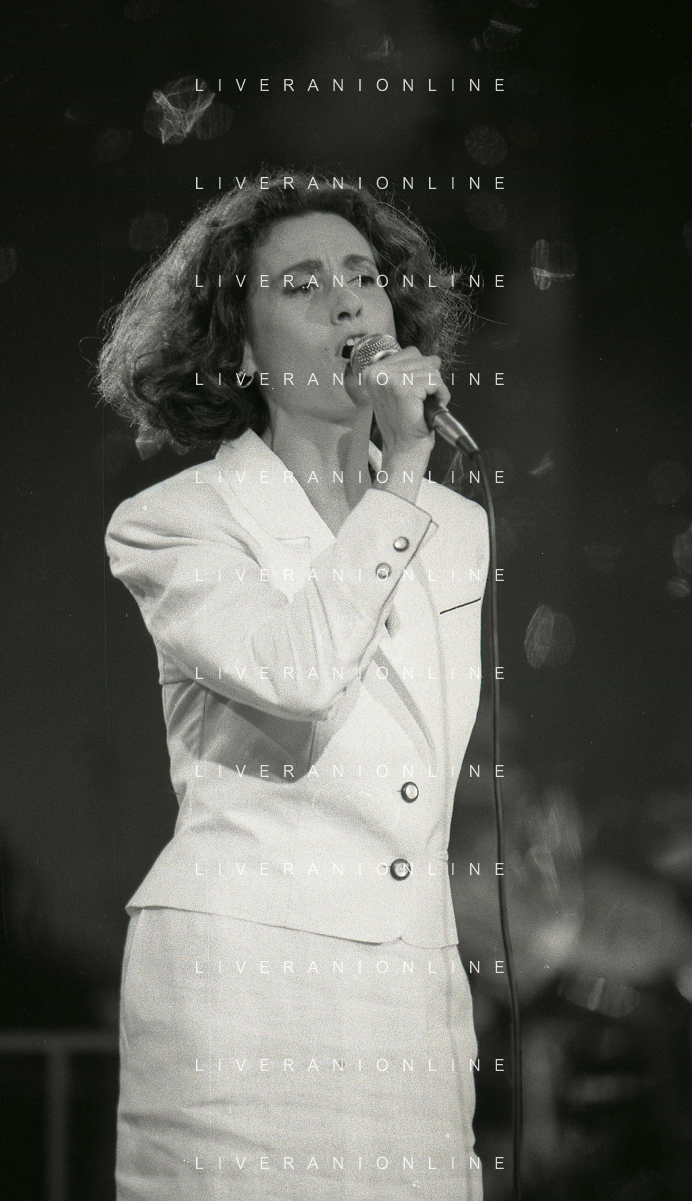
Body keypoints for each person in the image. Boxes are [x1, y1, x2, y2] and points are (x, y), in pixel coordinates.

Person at [100, 171, 489, 1200]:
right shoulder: (176, 521)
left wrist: (405, 486)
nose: (348, 303)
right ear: (238, 345)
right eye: (302, 286)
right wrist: (401, 475)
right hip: (244, 992)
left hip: (409, 993)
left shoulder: (457, 531)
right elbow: (297, 673)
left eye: (363, 276)